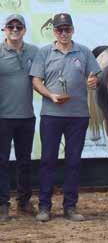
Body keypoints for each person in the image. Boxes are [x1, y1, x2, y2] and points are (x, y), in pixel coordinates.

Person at [30, 13, 101, 222]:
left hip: (78, 116)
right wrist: (50, 95)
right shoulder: (44, 53)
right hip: (51, 115)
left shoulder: (84, 52)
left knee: (73, 162)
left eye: (67, 29)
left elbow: (96, 75)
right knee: (48, 161)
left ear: (73, 30)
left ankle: (70, 207)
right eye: (59, 29)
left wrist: (93, 81)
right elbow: (35, 80)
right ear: (54, 31)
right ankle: (44, 206)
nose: (63, 33)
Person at [0, 14, 38, 221]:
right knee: (1, 162)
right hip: (2, 117)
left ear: (24, 30)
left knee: (25, 162)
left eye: (19, 26)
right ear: (4, 29)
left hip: (26, 117)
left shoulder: (34, 52)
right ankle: (2, 204)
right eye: (10, 26)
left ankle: (24, 202)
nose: (15, 29)